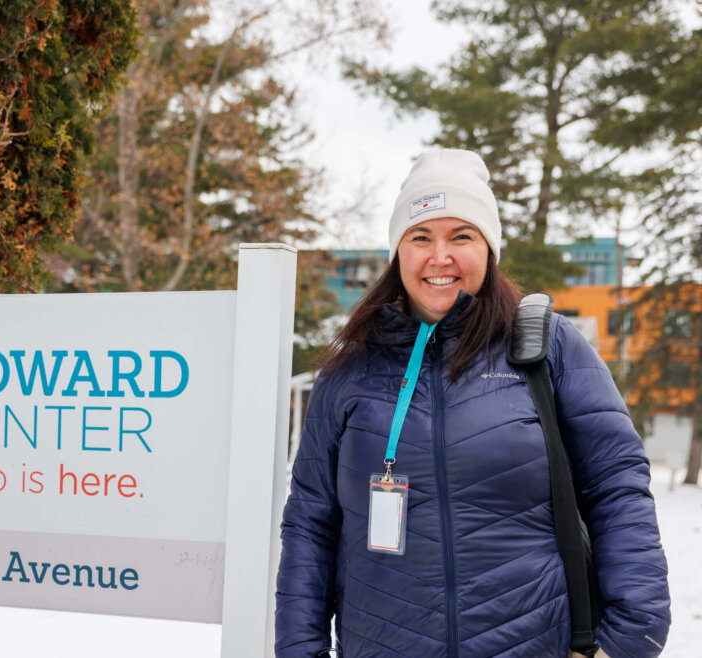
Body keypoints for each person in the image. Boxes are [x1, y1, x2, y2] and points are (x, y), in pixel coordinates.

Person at [275, 149, 671, 658]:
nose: (440, 258)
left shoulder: (546, 347)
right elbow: (311, 520)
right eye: (421, 237)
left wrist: (630, 636)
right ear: (398, 252)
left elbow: (616, 484)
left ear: (489, 249)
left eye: (461, 236)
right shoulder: (350, 370)